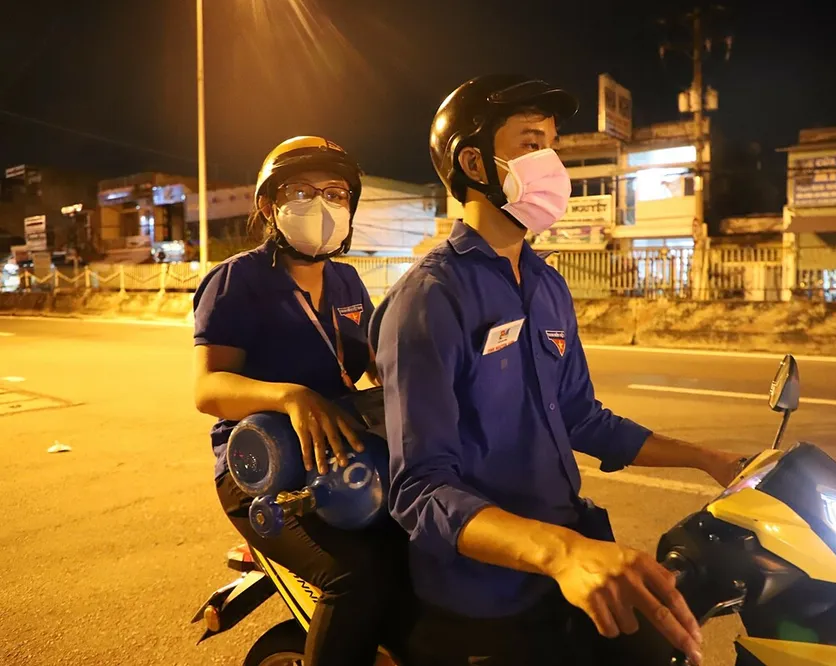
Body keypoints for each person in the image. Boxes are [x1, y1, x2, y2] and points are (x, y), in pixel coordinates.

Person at [369, 76, 747, 666]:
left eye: (552, 142)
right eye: (529, 143)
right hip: (485, 597)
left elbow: (581, 417)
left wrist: (709, 460)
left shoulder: (547, 286)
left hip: (570, 569)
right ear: (475, 162)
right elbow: (422, 490)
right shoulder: (429, 299)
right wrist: (559, 553)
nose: (551, 160)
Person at [192, 136, 409, 666]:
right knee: (354, 575)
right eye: (302, 191)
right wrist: (292, 396)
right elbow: (209, 389)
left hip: (342, 455)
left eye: (336, 192)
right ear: (269, 206)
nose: (323, 204)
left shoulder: (348, 281)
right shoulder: (237, 281)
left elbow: (380, 361)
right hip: (263, 472)